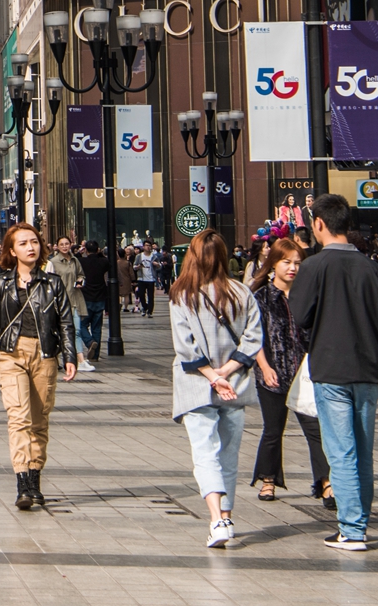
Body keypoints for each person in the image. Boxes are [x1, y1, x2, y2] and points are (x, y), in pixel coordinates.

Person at [290, 193, 378, 551]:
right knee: (362, 450)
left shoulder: (313, 267)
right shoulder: (372, 268)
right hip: (367, 368)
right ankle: (359, 521)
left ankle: (352, 529)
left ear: (319, 224)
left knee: (341, 451)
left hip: (330, 369)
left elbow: (300, 315)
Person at [167, 229, 264, 550]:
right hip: (234, 385)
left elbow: (185, 347)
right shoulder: (242, 292)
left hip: (196, 386)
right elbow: (253, 338)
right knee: (229, 455)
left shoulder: (182, 294)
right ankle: (227, 516)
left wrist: (212, 375)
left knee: (205, 453)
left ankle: (216, 520)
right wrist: (227, 371)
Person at [0, 225, 78, 510]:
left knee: (39, 420)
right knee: (19, 418)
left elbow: (65, 322)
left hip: (44, 355)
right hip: (11, 354)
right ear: (12, 250)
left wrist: (70, 356)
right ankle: (22, 482)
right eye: (23, 243)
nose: (30, 247)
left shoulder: (52, 283)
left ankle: (35, 478)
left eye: (34, 242)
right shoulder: (2, 283)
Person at [248, 237, 330, 505]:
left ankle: (325, 482)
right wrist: (264, 367)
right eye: (287, 262)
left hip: (305, 374)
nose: (293, 268)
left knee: (314, 429)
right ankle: (268, 479)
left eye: (297, 263)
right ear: (273, 263)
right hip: (272, 373)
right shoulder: (260, 297)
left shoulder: (307, 296)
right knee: (273, 429)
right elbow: (254, 337)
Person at [77, 240, 112, 370]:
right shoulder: (103, 262)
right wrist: (100, 254)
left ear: (85, 250)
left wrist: (79, 252)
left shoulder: (82, 261)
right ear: (98, 250)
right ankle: (95, 355)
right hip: (100, 296)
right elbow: (108, 264)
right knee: (97, 327)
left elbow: (74, 259)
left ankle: (90, 342)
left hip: (86, 296)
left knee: (82, 325)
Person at [134, 241, 158, 317]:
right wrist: (138, 267)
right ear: (143, 247)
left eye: (149, 245)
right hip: (141, 278)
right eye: (146, 245)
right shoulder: (139, 256)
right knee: (141, 294)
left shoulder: (154, 256)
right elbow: (134, 266)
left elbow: (159, 266)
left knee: (150, 296)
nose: (148, 247)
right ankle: (145, 307)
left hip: (151, 278)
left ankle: (150, 311)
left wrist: (157, 264)